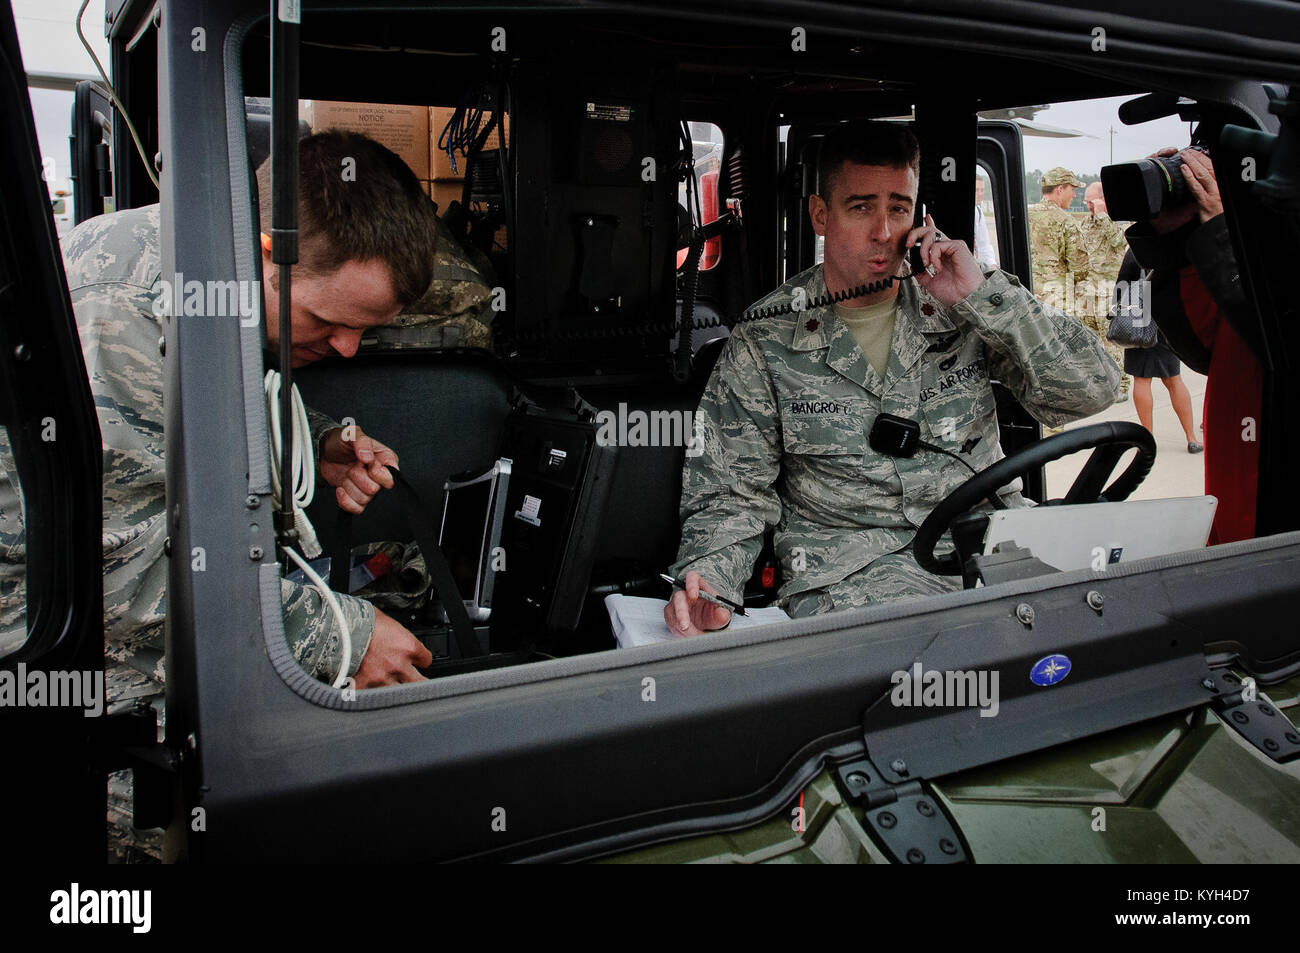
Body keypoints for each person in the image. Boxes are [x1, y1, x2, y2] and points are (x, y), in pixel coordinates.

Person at [0, 130, 439, 859]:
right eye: (329, 323)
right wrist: (344, 634)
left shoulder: (213, 275)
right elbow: (125, 575)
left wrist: (318, 444)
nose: (346, 350)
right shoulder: (124, 316)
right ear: (270, 255)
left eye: (364, 332)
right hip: (61, 656)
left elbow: (199, 415)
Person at [664, 122, 1120, 635]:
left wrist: (985, 296)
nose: (884, 231)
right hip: (852, 572)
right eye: (860, 208)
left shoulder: (962, 302)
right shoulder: (766, 338)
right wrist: (712, 585)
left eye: (898, 208)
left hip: (993, 545)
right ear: (821, 215)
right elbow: (730, 490)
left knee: (1121, 621)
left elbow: (1094, 389)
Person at [1124, 146, 1264, 544]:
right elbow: (1198, 346)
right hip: (1233, 514)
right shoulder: (1243, 259)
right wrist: (1172, 233)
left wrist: (1222, 233)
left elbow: (1274, 345)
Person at [1112, 251, 1202, 453]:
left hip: (1137, 322)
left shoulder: (1136, 251)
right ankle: (1191, 438)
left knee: (1142, 380)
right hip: (1166, 323)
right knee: (1174, 379)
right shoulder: (1172, 249)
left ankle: (1147, 439)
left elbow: (1122, 283)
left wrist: (1115, 311)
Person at [1078, 181, 1131, 400]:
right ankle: (1100, 381)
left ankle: (1122, 386)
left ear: (1103, 200)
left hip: (1109, 290)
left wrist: (1102, 216)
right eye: (1086, 202)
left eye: (1091, 202)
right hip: (1089, 290)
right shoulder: (1086, 222)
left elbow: (1120, 243)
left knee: (1111, 340)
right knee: (1092, 339)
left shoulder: (1119, 221)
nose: (1088, 206)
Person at [1027, 167, 1091, 316]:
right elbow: (1080, 268)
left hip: (1025, 295)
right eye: (1072, 189)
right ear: (1060, 189)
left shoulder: (1025, 214)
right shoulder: (1066, 221)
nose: (1074, 195)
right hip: (1056, 301)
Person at [973, 177, 998, 266]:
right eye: (976, 190)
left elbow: (984, 244)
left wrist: (992, 264)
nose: (980, 194)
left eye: (982, 190)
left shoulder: (978, 212)